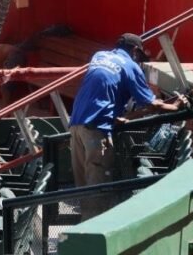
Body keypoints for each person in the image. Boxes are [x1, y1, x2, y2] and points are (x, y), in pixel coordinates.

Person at [68, 33, 185, 219]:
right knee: (98, 187)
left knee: (83, 186)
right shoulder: (130, 65)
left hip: (76, 125)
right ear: (135, 51)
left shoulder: (99, 56)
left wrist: (114, 117)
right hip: (96, 130)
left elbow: (102, 88)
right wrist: (176, 105)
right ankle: (94, 236)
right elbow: (151, 103)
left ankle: (83, 229)